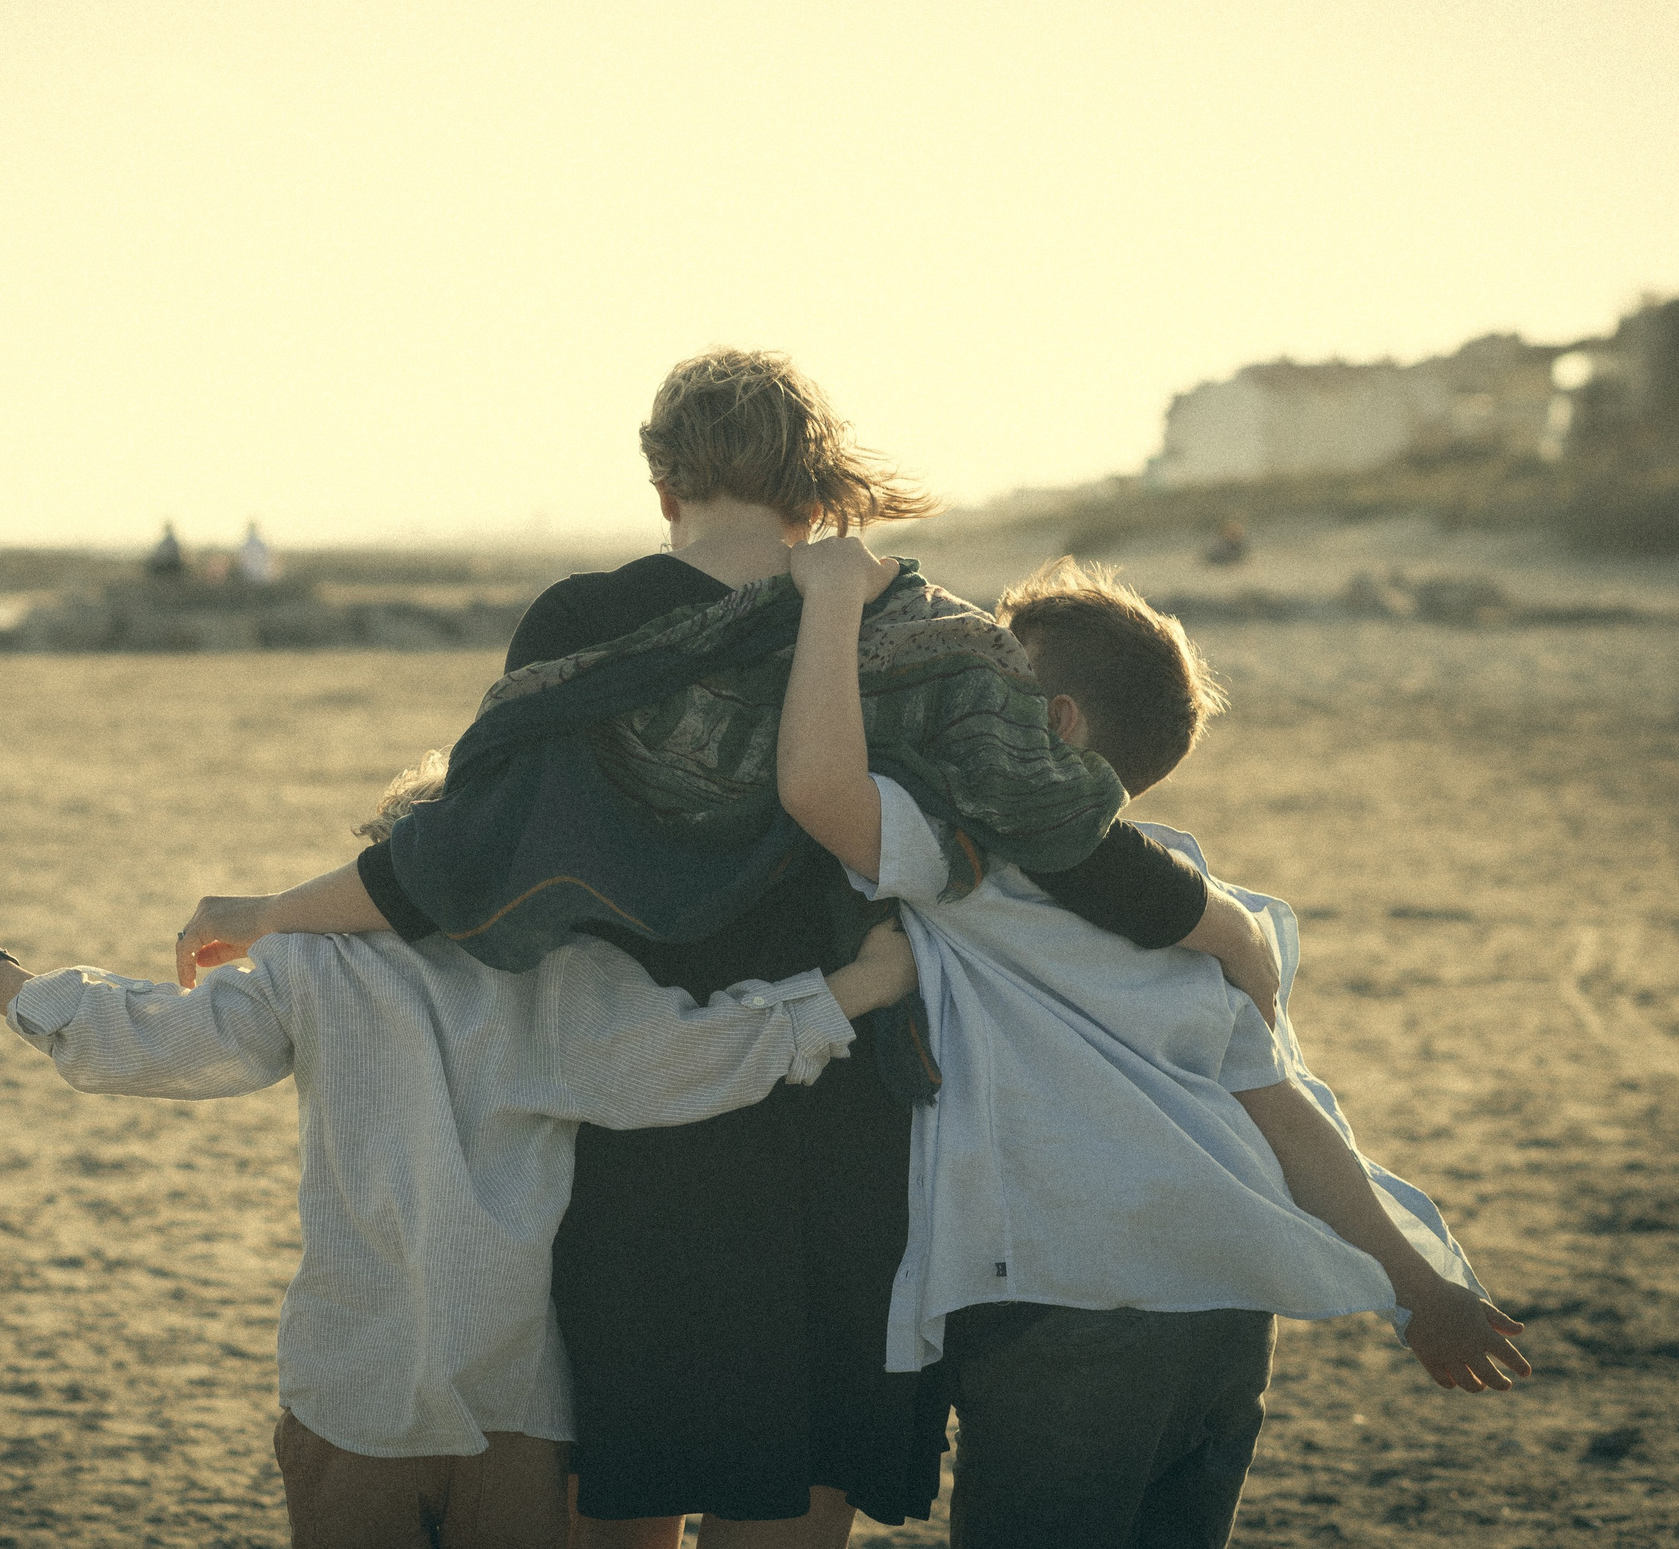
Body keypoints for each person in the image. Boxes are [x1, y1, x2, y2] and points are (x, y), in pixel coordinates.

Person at [173, 349, 1281, 1546]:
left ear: (663, 482)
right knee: (800, 1475)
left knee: (630, 1471)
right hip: (850, 1095)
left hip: (648, 1110)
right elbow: (1062, 830)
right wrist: (1223, 927)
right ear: (817, 488)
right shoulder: (904, 625)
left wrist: (272, 910)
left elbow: (465, 854)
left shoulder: (582, 623)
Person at [775, 543, 1529, 1546]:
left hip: (1070, 1307)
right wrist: (1420, 1291)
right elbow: (1291, 1121)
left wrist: (825, 603)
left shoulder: (972, 863)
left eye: (988, 684)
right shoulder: (1190, 890)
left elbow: (820, 785)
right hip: (1224, 1312)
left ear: (1053, 727)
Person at [0, 828, 924, 1549]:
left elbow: (154, 1042)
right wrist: (852, 990)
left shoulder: (315, 966)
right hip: (514, 1406)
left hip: (354, 1393)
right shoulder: (559, 977)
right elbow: (691, 1057)